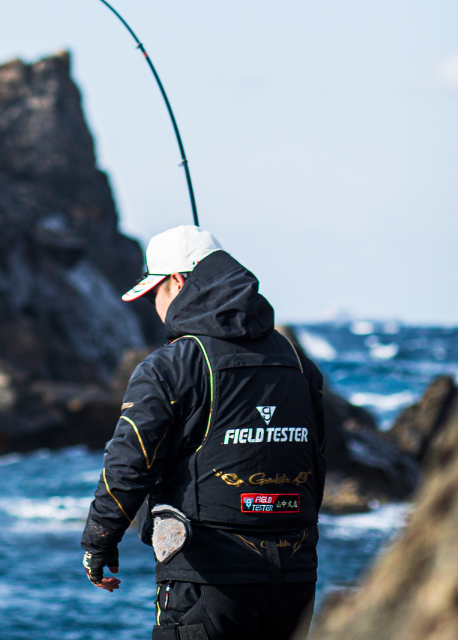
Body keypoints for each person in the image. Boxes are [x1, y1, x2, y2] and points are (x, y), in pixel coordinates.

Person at [80, 225, 326, 640]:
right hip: (297, 579)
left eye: (154, 294)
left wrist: (98, 543)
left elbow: (128, 462)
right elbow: (316, 461)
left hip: (206, 579)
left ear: (177, 282)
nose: (156, 308)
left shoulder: (171, 365)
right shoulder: (297, 361)